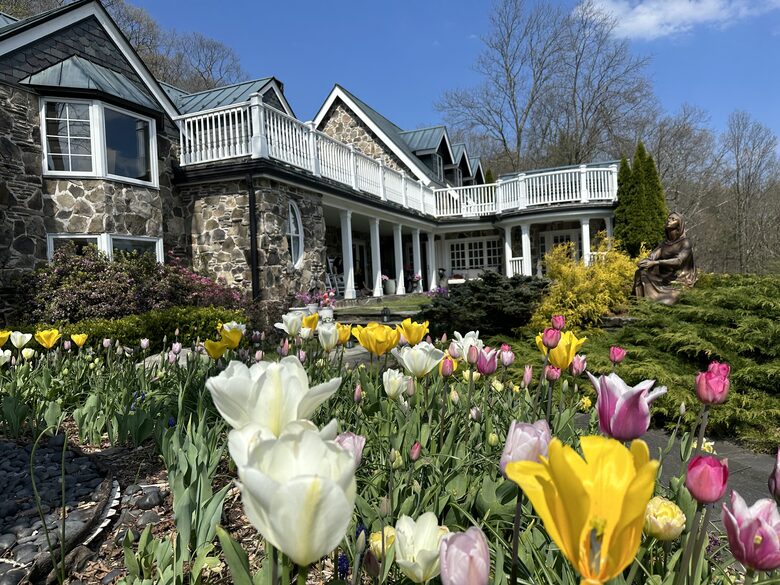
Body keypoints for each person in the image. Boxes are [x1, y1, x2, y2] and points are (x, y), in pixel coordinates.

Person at [633, 212, 697, 305]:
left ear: (679, 225)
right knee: (640, 273)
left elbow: (678, 261)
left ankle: (657, 303)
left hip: (679, 282)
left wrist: (656, 263)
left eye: (673, 219)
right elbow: (652, 257)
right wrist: (644, 262)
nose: (669, 221)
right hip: (663, 280)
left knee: (668, 301)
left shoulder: (685, 243)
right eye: (669, 218)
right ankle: (640, 306)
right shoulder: (664, 244)